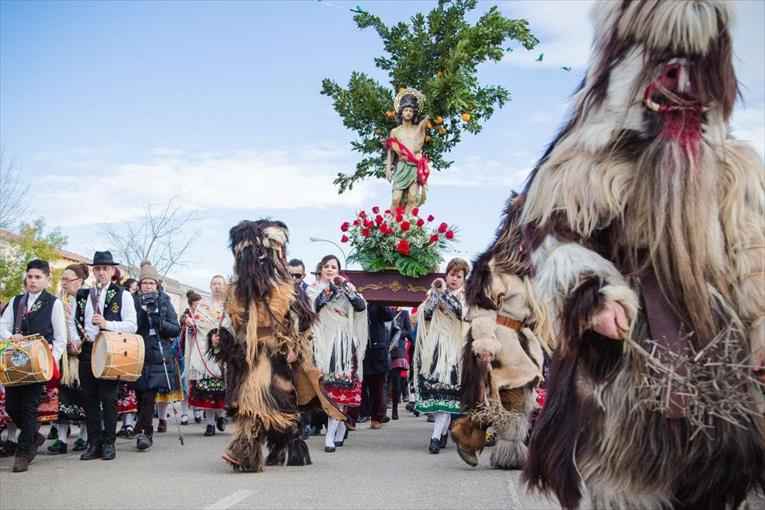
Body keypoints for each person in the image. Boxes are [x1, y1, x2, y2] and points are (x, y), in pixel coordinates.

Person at [217, 220, 344, 472]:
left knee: (259, 399)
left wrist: (294, 345)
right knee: (259, 404)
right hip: (244, 354)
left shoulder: (287, 290)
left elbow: (303, 324)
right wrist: (219, 337)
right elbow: (230, 324)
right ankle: (283, 445)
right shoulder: (235, 291)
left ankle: (246, 450)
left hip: (274, 353)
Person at [0, 259, 67, 472]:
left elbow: (60, 338)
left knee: (29, 409)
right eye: (30, 277)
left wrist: (50, 361)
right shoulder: (16, 301)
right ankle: (34, 437)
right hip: (16, 363)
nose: (33, 281)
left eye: (38, 277)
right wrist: (12, 337)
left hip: (39, 365)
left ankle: (23, 453)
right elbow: (3, 327)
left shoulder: (53, 303)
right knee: (11, 407)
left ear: (47, 280)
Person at [70, 250, 137, 461]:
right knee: (88, 398)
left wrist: (107, 324)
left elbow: (132, 325)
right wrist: (74, 339)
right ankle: (94, 442)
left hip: (111, 350)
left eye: (105, 269)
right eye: (97, 269)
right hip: (88, 348)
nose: (101, 273)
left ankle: (109, 442)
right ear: (93, 271)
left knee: (108, 398)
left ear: (112, 271)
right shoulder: (82, 294)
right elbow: (72, 321)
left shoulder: (122, 295)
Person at [306, 255, 367, 452]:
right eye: (326, 266)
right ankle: (339, 425)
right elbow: (314, 308)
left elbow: (360, 307)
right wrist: (331, 289)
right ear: (320, 269)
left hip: (344, 343)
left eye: (334, 267)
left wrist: (346, 289)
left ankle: (332, 434)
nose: (330, 270)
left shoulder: (347, 287)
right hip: (323, 342)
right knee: (326, 389)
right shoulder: (313, 289)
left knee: (341, 390)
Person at [414, 257, 469, 454]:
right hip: (435, 346)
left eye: (459, 276)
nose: (454, 279)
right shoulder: (434, 292)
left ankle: (436, 437)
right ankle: (442, 431)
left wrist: (443, 293)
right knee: (438, 393)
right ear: (447, 274)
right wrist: (434, 296)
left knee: (448, 392)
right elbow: (426, 315)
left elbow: (459, 313)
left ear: (463, 279)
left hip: (454, 348)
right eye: (452, 274)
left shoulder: (465, 296)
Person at [131, 261, 180, 451]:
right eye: (145, 283)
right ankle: (141, 425)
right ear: (140, 285)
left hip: (159, 353)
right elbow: (130, 325)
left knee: (149, 395)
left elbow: (175, 329)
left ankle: (145, 432)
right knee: (139, 392)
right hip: (137, 351)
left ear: (157, 285)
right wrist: (143, 315)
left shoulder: (165, 301)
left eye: (152, 283)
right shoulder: (132, 301)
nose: (148, 286)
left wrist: (159, 321)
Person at [47, 263, 90, 454]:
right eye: (62, 279)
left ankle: (84, 436)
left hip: (83, 355)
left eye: (67, 279)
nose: (63, 283)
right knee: (61, 396)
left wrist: (79, 344)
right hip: (62, 356)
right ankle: (62, 439)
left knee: (85, 396)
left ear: (79, 281)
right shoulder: (56, 302)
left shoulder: (87, 300)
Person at [183, 290, 226, 436]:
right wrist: (190, 324)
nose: (217, 286)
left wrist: (221, 337)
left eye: (220, 283)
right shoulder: (202, 307)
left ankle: (220, 416)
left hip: (221, 354)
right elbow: (197, 328)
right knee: (207, 391)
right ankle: (209, 424)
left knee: (220, 391)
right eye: (214, 284)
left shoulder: (229, 307)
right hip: (204, 353)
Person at [385, 88, 430, 214]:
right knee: (395, 198)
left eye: (411, 110)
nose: (408, 113)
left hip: (415, 166)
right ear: (401, 112)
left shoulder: (418, 128)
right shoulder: (395, 131)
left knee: (412, 198)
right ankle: (391, 223)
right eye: (406, 110)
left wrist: (431, 98)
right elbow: (391, 151)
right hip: (402, 165)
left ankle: (407, 223)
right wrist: (388, 168)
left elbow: (428, 117)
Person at [364, 305, 397, 429]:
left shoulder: (378, 304)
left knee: (377, 387)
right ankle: (354, 416)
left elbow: (388, 316)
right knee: (357, 386)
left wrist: (379, 301)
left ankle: (377, 417)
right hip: (359, 348)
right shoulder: (355, 296)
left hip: (377, 350)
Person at [389, 307, 412, 420]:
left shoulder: (404, 313)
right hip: (385, 347)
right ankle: (382, 411)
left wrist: (398, 333)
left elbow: (409, 331)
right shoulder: (386, 309)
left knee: (396, 380)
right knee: (384, 382)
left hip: (398, 350)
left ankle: (395, 409)